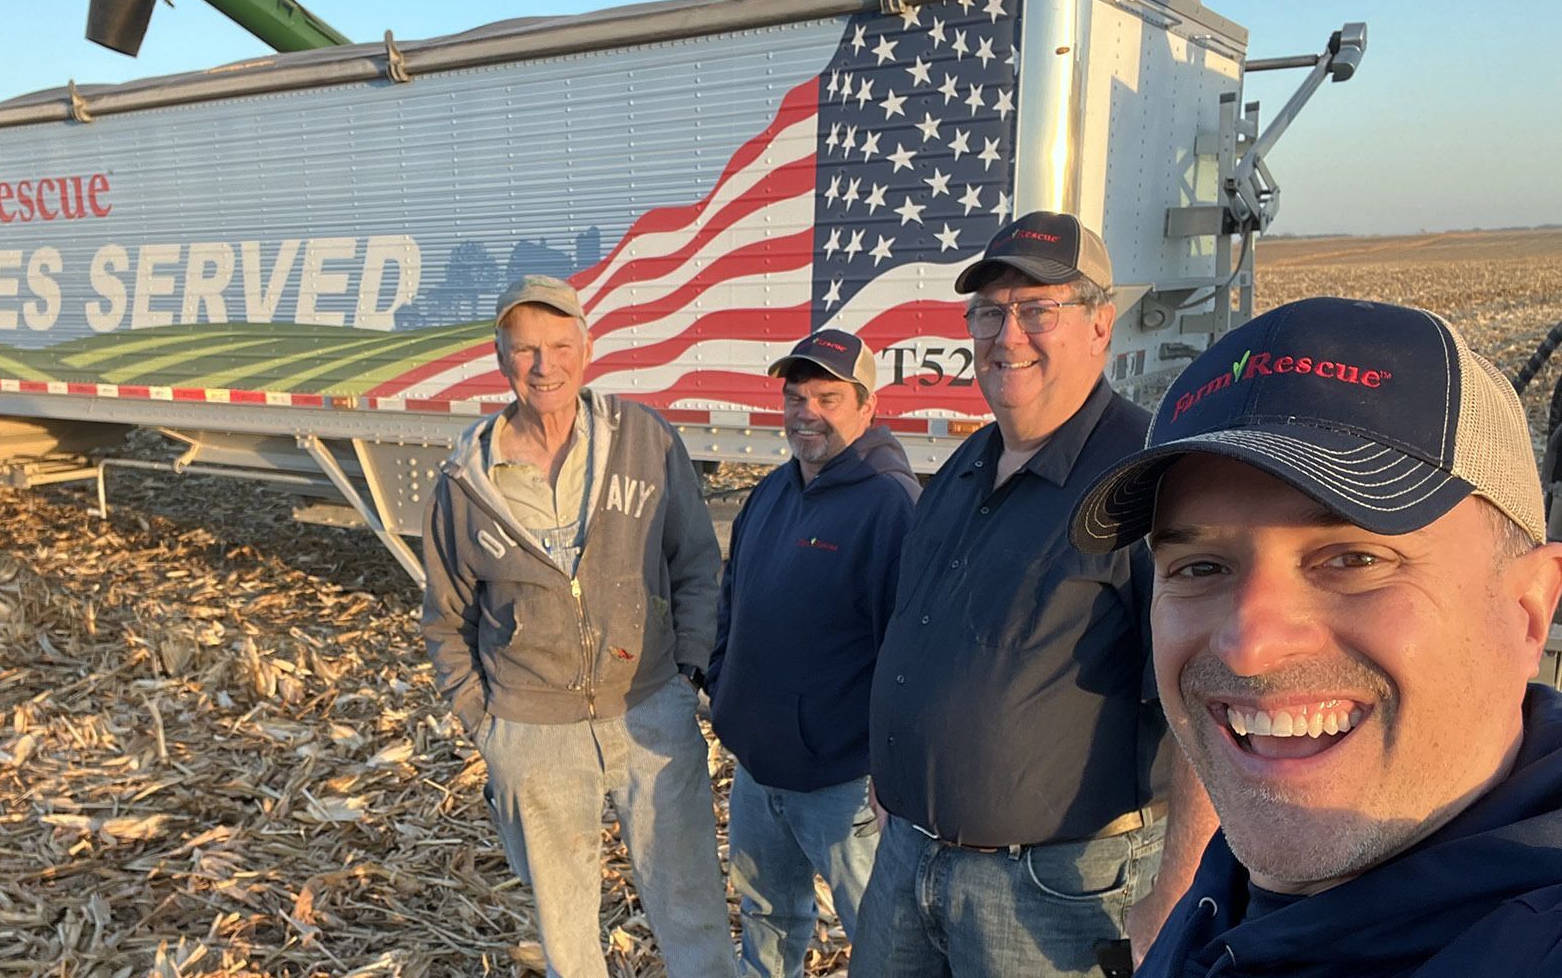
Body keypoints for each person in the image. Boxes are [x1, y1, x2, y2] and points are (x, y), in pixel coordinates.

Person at [1065, 297, 1562, 975]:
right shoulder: (1227, 895)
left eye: (1353, 560)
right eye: (1201, 567)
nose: (1251, 643)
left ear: (1529, 608)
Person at [855, 211, 1212, 977]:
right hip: (909, 855)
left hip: (1055, 889)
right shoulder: (962, 467)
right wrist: (895, 771)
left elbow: (1206, 707)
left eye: (1037, 309)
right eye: (990, 312)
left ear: (1099, 325)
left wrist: (1178, 890)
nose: (1007, 335)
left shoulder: (1145, 482)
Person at [417, 274, 736, 978]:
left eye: (560, 345)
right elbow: (446, 617)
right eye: (525, 349)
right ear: (500, 359)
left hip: (649, 708)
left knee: (691, 909)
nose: (544, 365)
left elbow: (695, 559)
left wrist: (687, 670)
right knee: (566, 930)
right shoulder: (466, 477)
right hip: (533, 731)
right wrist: (486, 723)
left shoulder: (642, 439)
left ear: (587, 348)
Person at [709, 329, 918, 978]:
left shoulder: (890, 504)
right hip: (759, 771)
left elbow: (905, 651)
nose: (807, 412)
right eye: (796, 397)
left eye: (828, 397)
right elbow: (732, 600)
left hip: (842, 783)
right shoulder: (772, 490)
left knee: (879, 935)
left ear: (867, 405)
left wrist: (889, 768)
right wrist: (723, 690)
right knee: (768, 918)